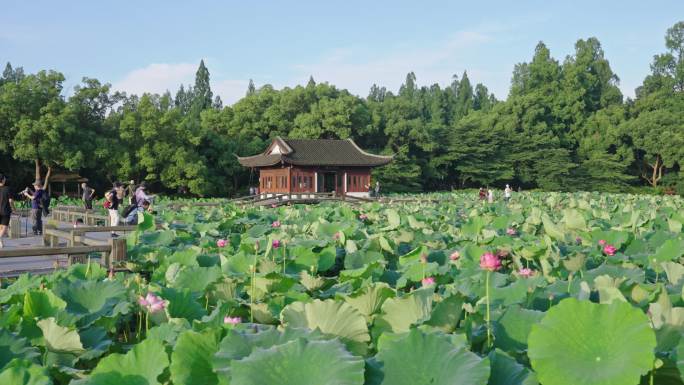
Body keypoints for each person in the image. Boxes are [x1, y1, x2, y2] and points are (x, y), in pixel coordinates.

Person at [0, 174, 15, 248]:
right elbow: (11, 201)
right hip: (5, 211)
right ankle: (0, 238)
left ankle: (1, 242)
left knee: (1, 227)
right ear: (3, 180)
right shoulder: (8, 189)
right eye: (4, 178)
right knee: (4, 227)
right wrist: (14, 209)